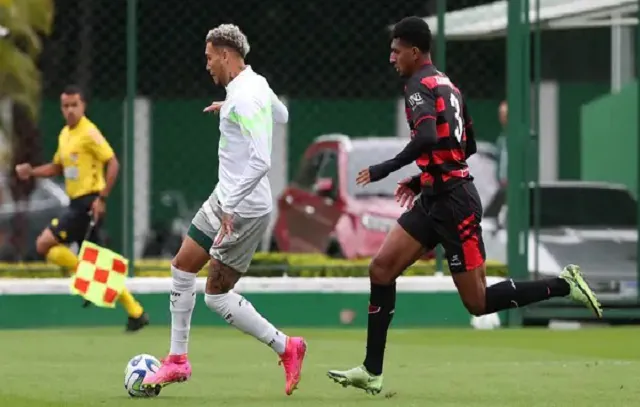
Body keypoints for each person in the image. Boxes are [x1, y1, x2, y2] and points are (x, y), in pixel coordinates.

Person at [326, 16, 602, 395]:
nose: (391, 58)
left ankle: (562, 284)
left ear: (415, 51)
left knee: (478, 302)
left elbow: (425, 136)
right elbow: (465, 146)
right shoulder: (449, 87)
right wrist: (423, 178)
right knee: (382, 269)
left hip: (455, 205)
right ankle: (372, 371)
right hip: (435, 199)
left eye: (395, 51)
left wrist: (385, 169)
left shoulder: (417, 85)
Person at [141, 24, 306, 396]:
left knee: (215, 295)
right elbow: (281, 116)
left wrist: (231, 204)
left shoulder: (246, 98)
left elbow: (262, 161)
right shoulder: (253, 86)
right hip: (225, 199)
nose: (207, 65)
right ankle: (177, 361)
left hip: (242, 209)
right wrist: (229, 110)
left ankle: (287, 346)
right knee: (183, 266)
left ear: (226, 55)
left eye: (209, 57)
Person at [15, 85, 149, 332]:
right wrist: (31, 171)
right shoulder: (66, 134)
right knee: (100, 265)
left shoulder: (90, 133)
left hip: (88, 204)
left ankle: (88, 279)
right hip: (76, 203)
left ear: (83, 105)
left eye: (74, 105)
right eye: (65, 106)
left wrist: (102, 198)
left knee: (44, 244)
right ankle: (135, 311)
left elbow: (113, 163)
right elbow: (57, 167)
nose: (69, 110)